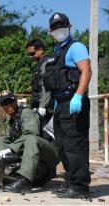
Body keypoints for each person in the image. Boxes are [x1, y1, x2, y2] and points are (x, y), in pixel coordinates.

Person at [43, 12, 92, 198]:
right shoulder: (58, 52)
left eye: (62, 25)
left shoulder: (76, 47)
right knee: (62, 146)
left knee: (75, 145)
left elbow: (86, 71)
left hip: (74, 103)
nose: (59, 29)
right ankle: (71, 182)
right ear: (51, 31)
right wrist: (56, 107)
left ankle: (80, 187)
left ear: (69, 26)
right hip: (61, 105)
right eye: (55, 27)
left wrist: (78, 96)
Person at [0, 90, 58, 193]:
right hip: (37, 156)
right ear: (2, 106)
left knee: (30, 138)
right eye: (5, 103)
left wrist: (11, 148)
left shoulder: (26, 112)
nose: (9, 105)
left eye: (11, 101)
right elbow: (6, 141)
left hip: (50, 153)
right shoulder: (12, 121)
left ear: (16, 101)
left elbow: (32, 133)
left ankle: (24, 182)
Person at [26, 39, 53, 122]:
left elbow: (46, 86)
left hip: (47, 109)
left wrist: (42, 106)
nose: (31, 56)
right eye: (29, 54)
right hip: (40, 106)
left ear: (41, 50)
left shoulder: (46, 64)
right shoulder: (39, 65)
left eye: (32, 53)